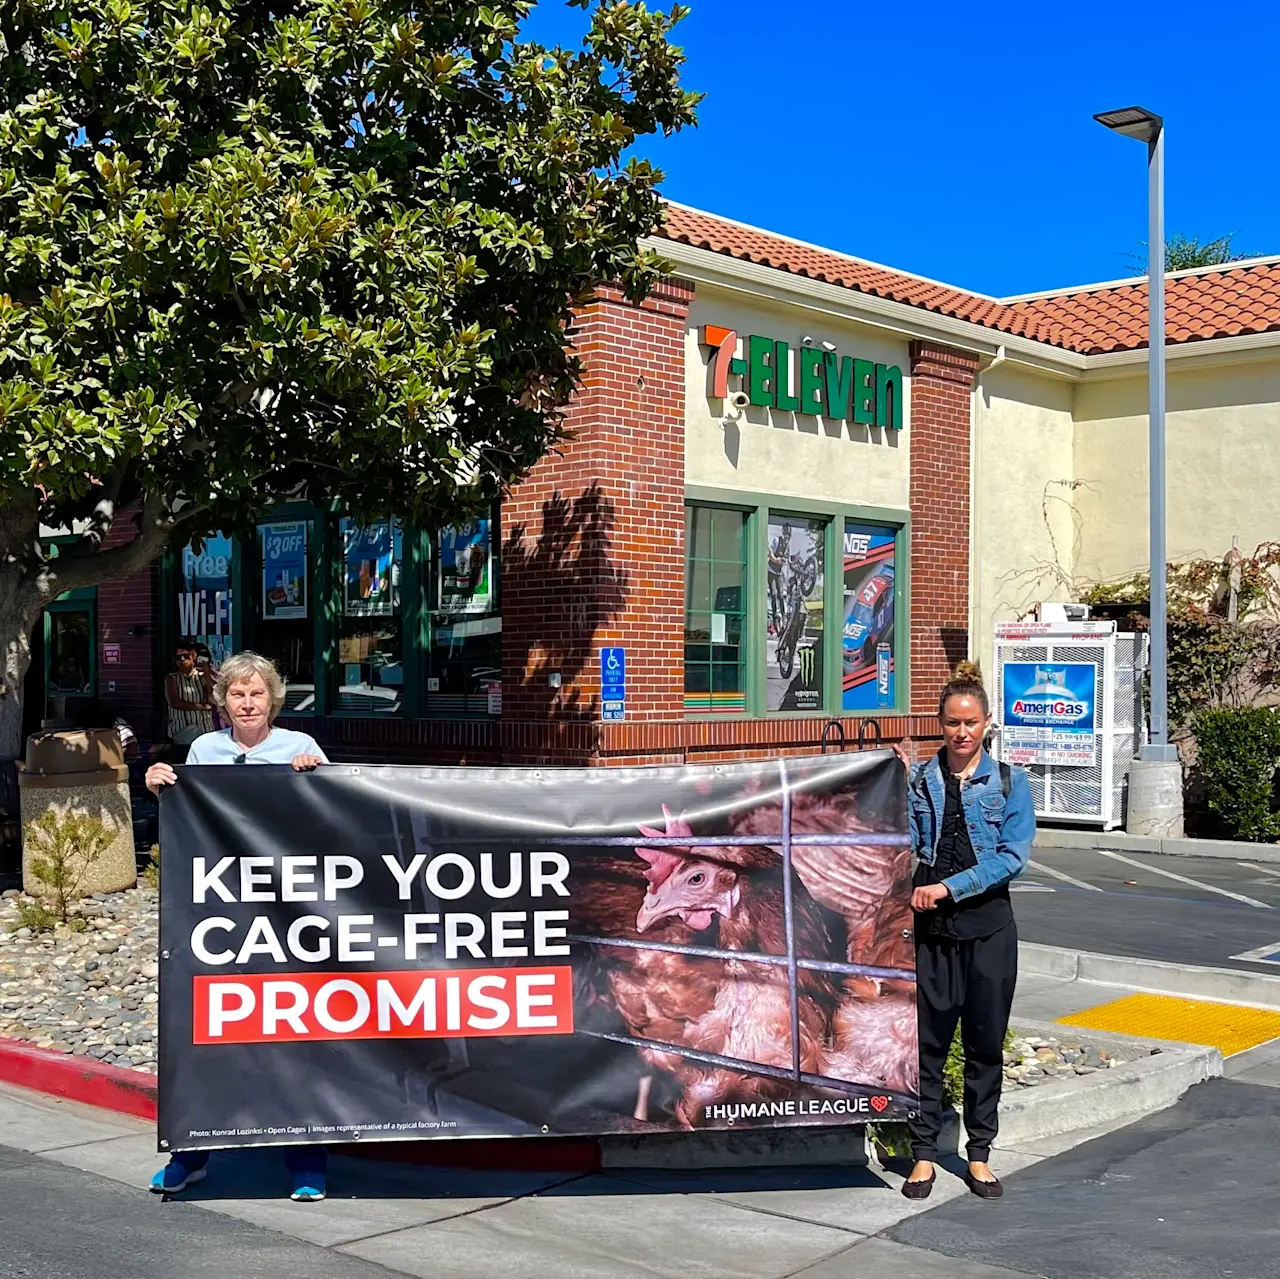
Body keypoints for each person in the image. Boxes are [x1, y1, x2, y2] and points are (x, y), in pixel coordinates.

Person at [145, 650, 330, 1201]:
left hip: (289, 914)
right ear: (222, 702)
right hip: (222, 913)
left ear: (272, 699)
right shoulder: (205, 749)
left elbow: (335, 819)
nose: (246, 704)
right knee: (211, 1032)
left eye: (256, 694)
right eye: (236, 694)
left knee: (298, 1034)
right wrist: (160, 783)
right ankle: (192, 1154)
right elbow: (191, 817)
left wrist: (316, 780)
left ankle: (307, 1162)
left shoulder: (301, 748)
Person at [896, 661, 1033, 1202]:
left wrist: (949, 887)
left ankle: (979, 1155)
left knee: (984, 1047)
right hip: (930, 933)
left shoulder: (1008, 783)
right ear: (941, 724)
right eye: (952, 722)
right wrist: (890, 785)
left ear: (986, 724)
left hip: (989, 932)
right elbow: (903, 840)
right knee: (927, 1047)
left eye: (971, 722)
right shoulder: (920, 782)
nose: (961, 732)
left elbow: (1011, 859)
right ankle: (924, 1156)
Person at [164, 640, 214, 747]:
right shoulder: (172, 678)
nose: (182, 660)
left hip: (205, 728)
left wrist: (207, 674)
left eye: (185, 656)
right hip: (183, 731)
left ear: (193, 657)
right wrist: (202, 707)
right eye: (178, 657)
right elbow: (175, 702)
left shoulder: (202, 677)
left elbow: (212, 699)